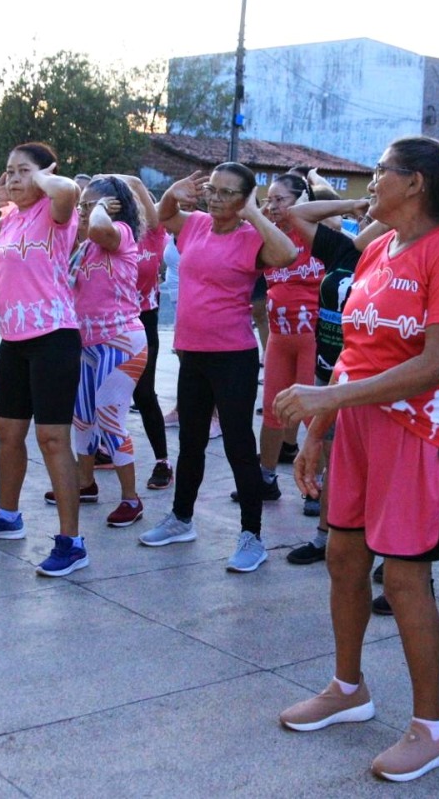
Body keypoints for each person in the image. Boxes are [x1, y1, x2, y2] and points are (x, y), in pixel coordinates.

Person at [275, 136, 439, 782]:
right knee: (343, 556)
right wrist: (320, 427)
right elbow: (353, 349)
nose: (370, 182)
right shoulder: (375, 248)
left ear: (416, 182)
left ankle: (432, 726)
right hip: (359, 426)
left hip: (417, 431)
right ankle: (348, 688)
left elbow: (437, 362)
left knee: (403, 577)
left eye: (379, 172)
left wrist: (330, 396)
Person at [139, 164, 298, 572]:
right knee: (190, 442)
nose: (216, 197)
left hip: (233, 357)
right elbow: (159, 217)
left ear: (244, 198)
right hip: (192, 352)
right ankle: (181, 519)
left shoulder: (250, 238)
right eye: (213, 189)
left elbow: (287, 253)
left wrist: (255, 215)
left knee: (238, 446)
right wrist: (173, 193)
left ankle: (252, 536)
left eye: (228, 193)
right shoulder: (194, 225)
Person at [0, 143, 91, 578]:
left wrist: (40, 178)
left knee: (53, 438)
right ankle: (8, 515)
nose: (14, 179)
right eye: (8, 172)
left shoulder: (57, 213)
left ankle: (72, 542)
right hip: (14, 339)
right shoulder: (12, 219)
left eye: (23, 172)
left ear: (44, 174)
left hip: (53, 336)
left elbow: (69, 190)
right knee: (6, 432)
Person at [280, 191, 388, 564]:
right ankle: (324, 536)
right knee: (332, 459)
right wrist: (351, 205)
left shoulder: (401, 260)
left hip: (374, 382)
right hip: (330, 374)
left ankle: (390, 554)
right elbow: (297, 214)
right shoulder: (343, 252)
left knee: (380, 470)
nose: (376, 219)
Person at [69, 175, 154, 527]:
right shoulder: (86, 246)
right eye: (83, 206)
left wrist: (100, 210)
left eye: (91, 205)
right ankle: (85, 483)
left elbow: (99, 227)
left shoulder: (120, 234)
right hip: (88, 344)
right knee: (82, 418)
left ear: (113, 207)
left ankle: (131, 500)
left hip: (121, 341)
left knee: (110, 418)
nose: (84, 213)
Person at [255, 173, 326, 504]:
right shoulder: (269, 237)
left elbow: (335, 216)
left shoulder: (318, 232)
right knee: (272, 409)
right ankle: (265, 478)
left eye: (280, 199)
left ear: (301, 200)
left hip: (312, 338)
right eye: (269, 199)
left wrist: (315, 184)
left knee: (313, 413)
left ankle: (315, 486)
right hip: (280, 339)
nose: (273, 206)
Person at [130, 176, 175, 493]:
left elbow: (154, 213)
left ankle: (162, 461)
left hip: (143, 319)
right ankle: (99, 453)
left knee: (143, 393)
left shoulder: (152, 234)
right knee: (98, 396)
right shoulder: (102, 234)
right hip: (104, 322)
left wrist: (129, 182)